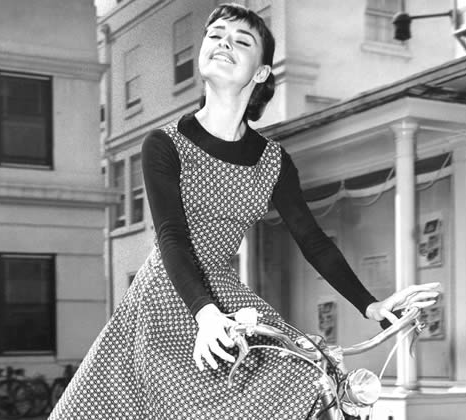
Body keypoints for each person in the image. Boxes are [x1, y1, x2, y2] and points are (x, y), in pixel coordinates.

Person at [49, 4, 439, 419]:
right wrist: (206, 314)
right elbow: (171, 237)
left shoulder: (272, 161)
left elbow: (314, 242)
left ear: (261, 72)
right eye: (215, 35)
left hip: (225, 292)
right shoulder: (164, 144)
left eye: (241, 41)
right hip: (167, 295)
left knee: (309, 375)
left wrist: (372, 306)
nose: (224, 43)